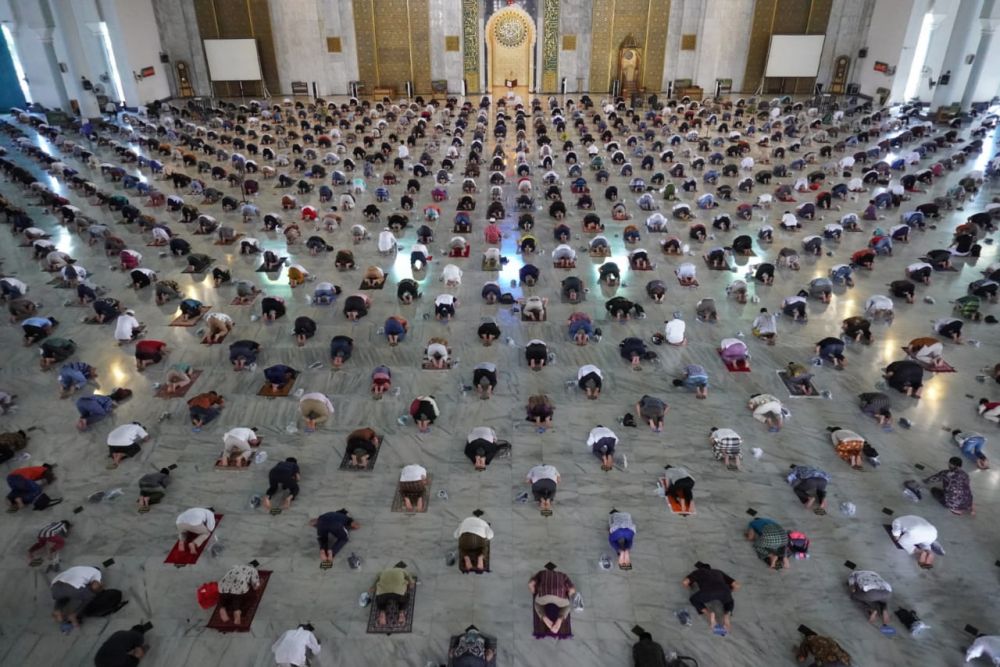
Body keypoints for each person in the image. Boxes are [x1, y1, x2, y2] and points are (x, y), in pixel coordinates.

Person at [681, 562, 739, 635]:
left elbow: (684, 582)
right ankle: (727, 617)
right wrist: (728, 592)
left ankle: (709, 614)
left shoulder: (698, 572)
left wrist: (690, 587)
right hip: (724, 590)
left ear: (700, 568)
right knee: (729, 602)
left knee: (694, 599)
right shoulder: (718, 571)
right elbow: (736, 585)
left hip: (708, 592)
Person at [528, 563, 576, 636]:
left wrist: (533, 592)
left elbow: (531, 583)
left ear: (546, 569)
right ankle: (559, 619)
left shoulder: (541, 573)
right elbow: (572, 589)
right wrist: (567, 595)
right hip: (559, 595)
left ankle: (545, 618)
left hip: (544, 595)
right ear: (556, 570)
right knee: (567, 606)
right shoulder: (563, 575)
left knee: (537, 605)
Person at [50, 565, 102, 629]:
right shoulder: (96, 572)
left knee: (63, 596)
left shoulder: (77, 568)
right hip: (72, 587)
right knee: (90, 596)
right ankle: (74, 614)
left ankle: (57, 610)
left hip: (54, 587)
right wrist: (100, 589)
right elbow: (95, 586)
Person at [371, 563, 416, 627]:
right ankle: (401, 613)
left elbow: (376, 579)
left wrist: (373, 586)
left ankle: (382, 613)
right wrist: (411, 582)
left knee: (380, 601)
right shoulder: (402, 570)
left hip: (383, 592)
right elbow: (408, 576)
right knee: (404, 598)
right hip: (399, 592)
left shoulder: (382, 571)